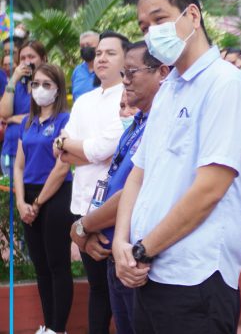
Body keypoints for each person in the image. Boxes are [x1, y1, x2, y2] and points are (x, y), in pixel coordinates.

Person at [111, 0, 241, 333]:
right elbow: (138, 173)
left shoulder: (225, 84)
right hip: (149, 274)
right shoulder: (169, 90)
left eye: (159, 19)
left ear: (192, 15)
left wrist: (144, 249)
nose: (151, 34)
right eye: (144, 28)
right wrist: (121, 242)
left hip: (196, 278)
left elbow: (209, 189)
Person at [68, 42, 169, 334]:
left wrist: (83, 227)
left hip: (136, 257)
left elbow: (134, 193)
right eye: (123, 73)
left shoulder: (161, 126)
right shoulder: (137, 122)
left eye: (132, 72)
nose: (125, 81)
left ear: (161, 73)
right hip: (112, 251)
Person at [57, 31, 128, 334]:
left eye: (110, 53)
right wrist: (83, 150)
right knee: (97, 287)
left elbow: (103, 150)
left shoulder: (127, 98)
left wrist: (77, 149)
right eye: (98, 53)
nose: (101, 58)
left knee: (121, 287)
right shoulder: (84, 100)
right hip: (81, 206)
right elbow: (60, 150)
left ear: (127, 59)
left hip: (113, 207)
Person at [15, 63, 73, 334]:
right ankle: (48, 326)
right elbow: (18, 165)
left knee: (57, 265)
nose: (39, 89)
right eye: (35, 83)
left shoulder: (65, 120)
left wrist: (37, 204)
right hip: (28, 195)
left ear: (57, 89)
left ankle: (57, 328)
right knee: (40, 267)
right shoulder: (28, 122)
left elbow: (62, 167)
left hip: (55, 195)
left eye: (46, 85)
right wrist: (20, 202)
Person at [1, 41, 46, 176]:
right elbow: (3, 113)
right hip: (10, 150)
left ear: (43, 59)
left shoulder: (48, 85)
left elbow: (40, 116)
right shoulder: (17, 85)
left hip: (35, 152)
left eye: (31, 57)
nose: (27, 61)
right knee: (10, 195)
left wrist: (13, 118)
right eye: (23, 58)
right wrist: (13, 79)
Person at [72, 31, 101, 101]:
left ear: (99, 46)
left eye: (88, 45)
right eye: (82, 46)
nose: (85, 48)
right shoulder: (77, 71)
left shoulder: (107, 69)